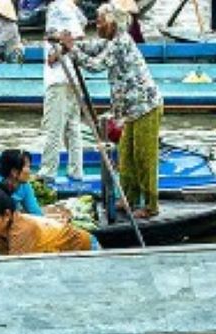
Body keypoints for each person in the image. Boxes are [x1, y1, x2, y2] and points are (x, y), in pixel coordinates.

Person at [62, 3, 162, 219]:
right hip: (129, 111)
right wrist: (73, 45)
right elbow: (93, 48)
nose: (96, 25)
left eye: (99, 21)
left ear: (112, 22)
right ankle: (129, 199)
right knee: (126, 157)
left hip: (146, 107)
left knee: (144, 158)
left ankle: (151, 206)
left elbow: (96, 65)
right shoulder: (111, 41)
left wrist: (72, 49)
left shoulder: (121, 42)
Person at [0, 187, 92, 316]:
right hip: (55, 259)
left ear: (7, 215)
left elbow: (15, 275)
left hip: (83, 251)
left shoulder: (23, 231)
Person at [41, 0, 86, 183]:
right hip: (72, 79)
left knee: (54, 128)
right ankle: (76, 170)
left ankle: (48, 172)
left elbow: (68, 41)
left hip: (58, 79)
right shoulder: (73, 9)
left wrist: (58, 51)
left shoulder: (57, 7)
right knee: (72, 127)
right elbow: (80, 30)